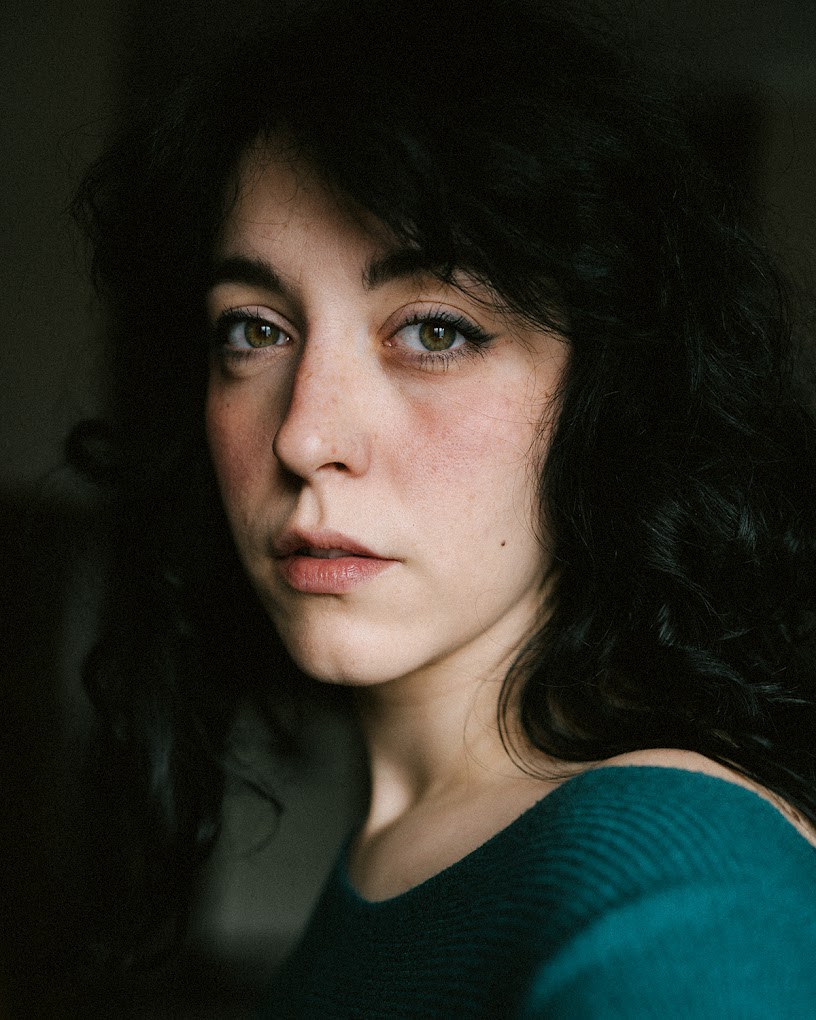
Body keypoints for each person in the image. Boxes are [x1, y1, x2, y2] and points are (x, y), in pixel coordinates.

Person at [69, 0, 816, 1013]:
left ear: (609, 397)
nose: (303, 437)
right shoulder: (404, 851)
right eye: (254, 329)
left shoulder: (673, 882)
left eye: (434, 331)